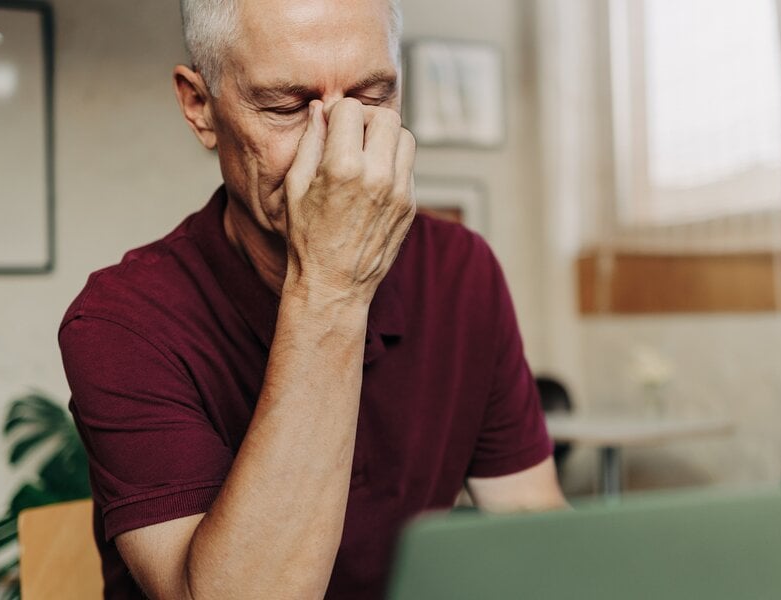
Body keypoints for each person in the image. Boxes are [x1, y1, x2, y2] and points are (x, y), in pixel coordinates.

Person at [58, 0, 567, 597]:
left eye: (373, 98)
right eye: (286, 107)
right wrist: (332, 286)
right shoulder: (122, 321)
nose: (336, 149)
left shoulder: (460, 269)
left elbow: (532, 533)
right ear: (200, 108)